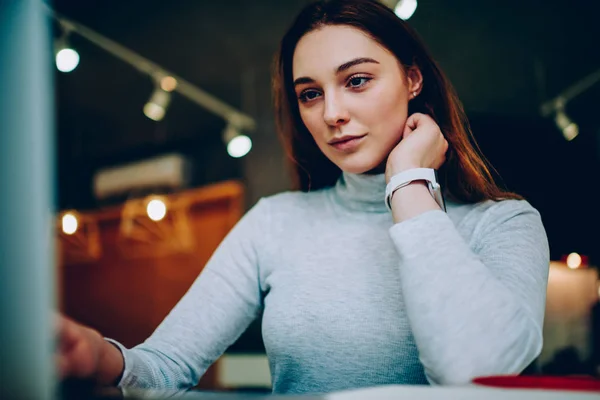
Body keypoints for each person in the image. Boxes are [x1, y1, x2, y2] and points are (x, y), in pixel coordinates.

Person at [56, 0, 550, 395]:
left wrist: (409, 184)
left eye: (356, 80)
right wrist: (98, 356)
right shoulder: (274, 223)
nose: (332, 112)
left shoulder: (505, 224)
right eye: (310, 93)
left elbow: (475, 374)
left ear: (412, 79)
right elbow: (165, 367)